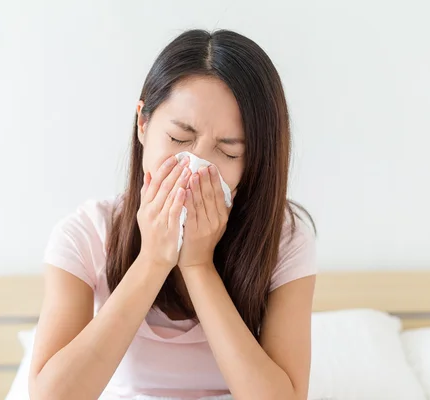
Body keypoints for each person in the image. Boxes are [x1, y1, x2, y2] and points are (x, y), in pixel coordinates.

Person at [29, 29, 317, 400]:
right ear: (143, 124)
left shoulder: (284, 241)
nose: (196, 167)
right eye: (180, 138)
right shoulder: (85, 235)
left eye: (228, 152)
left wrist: (198, 266)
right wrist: (152, 260)